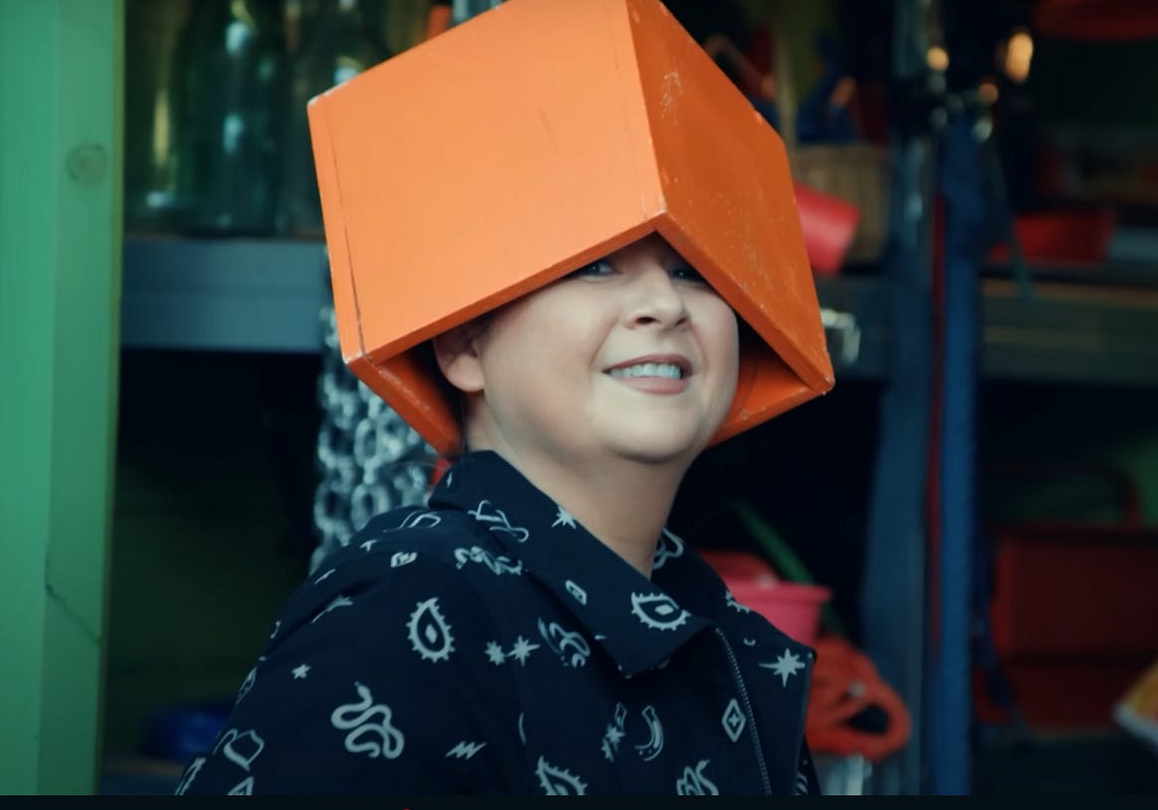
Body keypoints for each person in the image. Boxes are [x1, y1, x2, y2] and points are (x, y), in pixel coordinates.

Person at [174, 233, 823, 796]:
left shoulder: (728, 643)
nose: (667, 304)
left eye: (691, 270)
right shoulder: (406, 606)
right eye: (596, 263)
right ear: (464, 347)